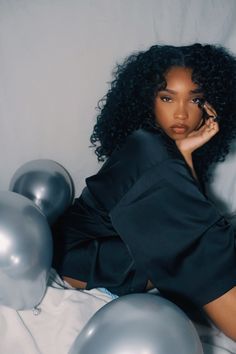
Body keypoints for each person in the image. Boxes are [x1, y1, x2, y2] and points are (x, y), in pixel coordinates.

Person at [53, 43, 236, 340]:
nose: (181, 113)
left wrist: (185, 152)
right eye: (167, 98)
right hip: (82, 259)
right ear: (147, 100)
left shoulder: (154, 146)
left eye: (196, 100)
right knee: (201, 253)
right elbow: (198, 246)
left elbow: (191, 214)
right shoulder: (150, 154)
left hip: (106, 250)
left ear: (210, 106)